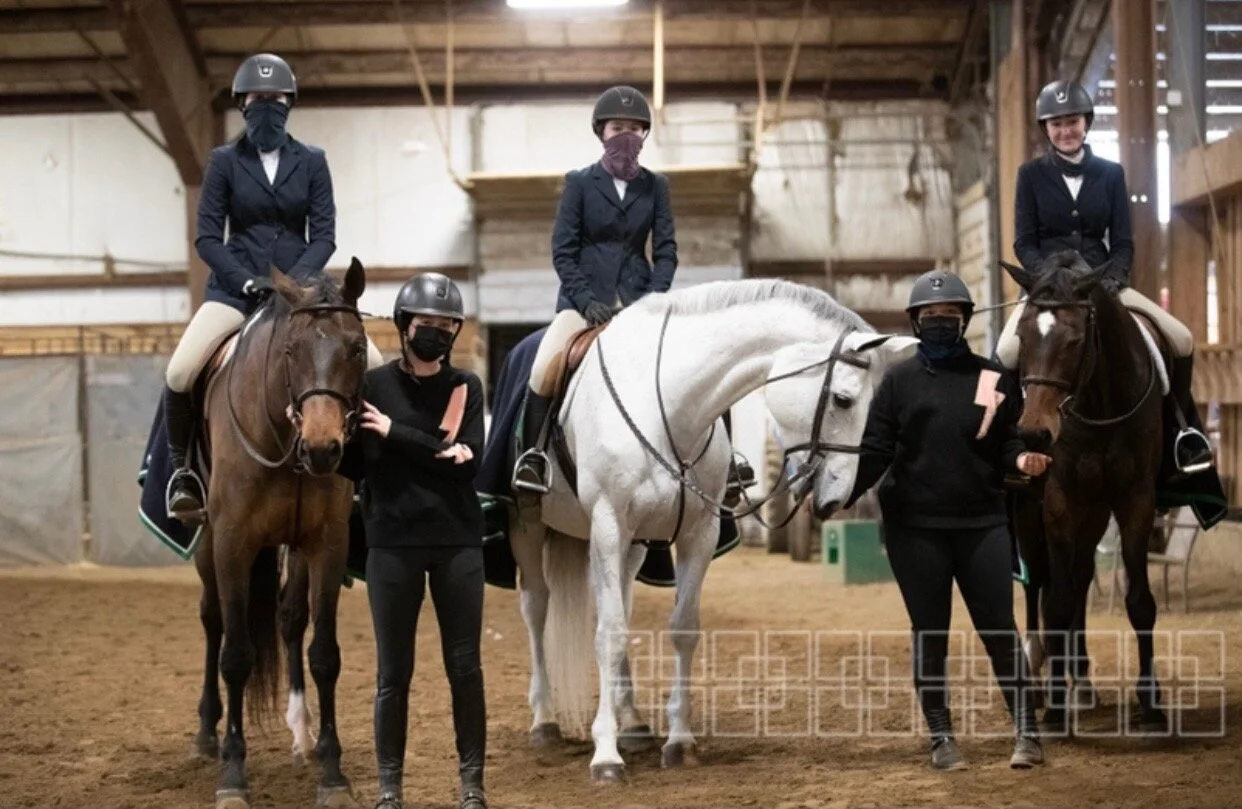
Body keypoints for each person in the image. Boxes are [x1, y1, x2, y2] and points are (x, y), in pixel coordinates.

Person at [162, 52, 384, 525]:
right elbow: (207, 237)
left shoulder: (313, 161)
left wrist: (293, 285)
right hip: (235, 290)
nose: (267, 106)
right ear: (243, 104)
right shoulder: (223, 161)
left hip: (302, 294)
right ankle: (185, 474)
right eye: (258, 98)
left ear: (289, 103)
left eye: (276, 98)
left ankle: (362, 472)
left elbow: (323, 235)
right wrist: (246, 280)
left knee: (377, 365)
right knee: (180, 371)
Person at [510, 84, 755, 504]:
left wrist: (653, 299)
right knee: (545, 364)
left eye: (634, 129)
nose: (625, 135)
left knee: (704, 360)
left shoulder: (655, 186)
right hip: (584, 303)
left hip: (642, 300)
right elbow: (563, 251)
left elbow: (666, 251)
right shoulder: (579, 183)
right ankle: (533, 457)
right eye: (617, 128)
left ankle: (726, 463)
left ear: (644, 135)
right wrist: (585, 300)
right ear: (601, 132)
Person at [846, 270, 1049, 771]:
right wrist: (840, 493)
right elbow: (875, 450)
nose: (941, 322)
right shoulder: (898, 381)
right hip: (915, 528)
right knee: (930, 633)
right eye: (931, 316)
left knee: (999, 629)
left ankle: (1027, 732)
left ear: (965, 320)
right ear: (917, 322)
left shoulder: (992, 377)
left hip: (983, 523)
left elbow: (1007, 440)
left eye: (950, 315)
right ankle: (941, 738)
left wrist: (1020, 459)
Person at [995, 78, 1213, 476]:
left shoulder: (1110, 173)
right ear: (1046, 128)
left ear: (1086, 123)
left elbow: (1123, 242)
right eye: (1057, 123)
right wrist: (1049, 282)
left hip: (1101, 282)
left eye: (1072, 122)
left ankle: (1181, 435)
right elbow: (1024, 243)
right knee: (1006, 352)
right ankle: (1012, 447)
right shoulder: (1030, 175)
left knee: (1181, 338)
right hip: (1050, 290)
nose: (1065, 130)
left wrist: (1112, 280)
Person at [337, 273, 487, 809]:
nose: (436, 333)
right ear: (404, 325)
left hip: (457, 542)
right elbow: (358, 467)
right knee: (392, 674)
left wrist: (393, 433)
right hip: (391, 543)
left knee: (465, 669)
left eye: (446, 326)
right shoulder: (371, 388)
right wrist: (325, 435)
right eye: (427, 323)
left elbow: (464, 466)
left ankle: (472, 785)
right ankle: (389, 788)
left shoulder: (466, 387)